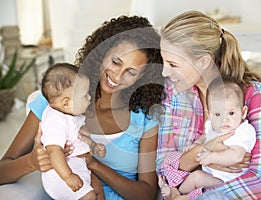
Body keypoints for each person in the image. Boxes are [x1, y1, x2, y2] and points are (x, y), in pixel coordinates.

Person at [0, 15, 165, 200]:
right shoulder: (56, 102)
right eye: (116, 62)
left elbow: (147, 194)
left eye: (131, 72)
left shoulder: (145, 117)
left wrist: (93, 163)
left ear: (143, 77)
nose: (118, 76)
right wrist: (31, 162)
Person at [156, 10, 261, 200]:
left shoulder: (251, 93)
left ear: (204, 61)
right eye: (163, 61)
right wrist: (203, 152)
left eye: (173, 64)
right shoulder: (173, 94)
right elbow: (163, 170)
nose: (164, 72)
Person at [158, 77, 256, 199]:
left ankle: (184, 197)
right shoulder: (212, 125)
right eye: (218, 114)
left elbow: (237, 156)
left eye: (231, 113)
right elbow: (205, 135)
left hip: (229, 181)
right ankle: (176, 193)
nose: (224, 119)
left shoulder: (243, 130)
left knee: (200, 181)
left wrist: (211, 157)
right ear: (209, 114)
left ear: (243, 112)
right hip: (212, 175)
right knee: (194, 176)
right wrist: (196, 144)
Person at [40, 63, 106, 199]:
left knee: (98, 187)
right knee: (89, 196)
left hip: (79, 166)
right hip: (61, 173)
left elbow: (80, 135)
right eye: (84, 95)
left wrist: (93, 145)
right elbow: (54, 151)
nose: (89, 98)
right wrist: (68, 176)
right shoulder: (55, 121)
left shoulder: (71, 114)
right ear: (66, 102)